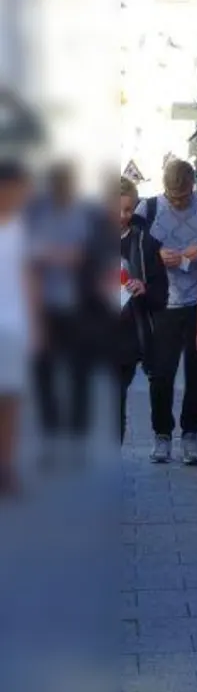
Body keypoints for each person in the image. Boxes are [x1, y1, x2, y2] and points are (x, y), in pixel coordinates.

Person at [143, 160, 197, 466]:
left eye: (183, 196)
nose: (179, 201)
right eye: (174, 197)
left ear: (193, 185)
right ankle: (162, 435)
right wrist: (156, 254)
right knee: (161, 373)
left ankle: (190, 435)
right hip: (164, 303)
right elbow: (130, 247)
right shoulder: (147, 209)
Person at [26, 163, 97, 465]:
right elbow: (30, 256)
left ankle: (77, 443)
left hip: (78, 310)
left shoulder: (82, 215)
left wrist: (53, 253)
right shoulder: (38, 214)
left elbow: (83, 255)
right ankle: (51, 442)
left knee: (79, 376)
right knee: (44, 378)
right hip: (45, 309)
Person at [117, 177, 168, 444]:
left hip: (126, 338)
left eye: (128, 210)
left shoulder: (145, 243)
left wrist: (144, 287)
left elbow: (161, 294)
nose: (123, 216)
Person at [0, 161, 37, 496]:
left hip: (15, 325)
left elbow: (30, 279)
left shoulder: (22, 229)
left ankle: (6, 468)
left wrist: (37, 326)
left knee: (11, 400)